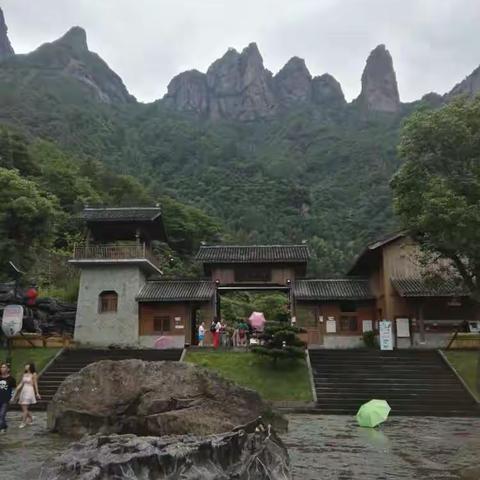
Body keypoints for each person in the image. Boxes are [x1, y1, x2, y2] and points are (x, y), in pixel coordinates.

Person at [13, 363, 40, 428]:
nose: (26, 366)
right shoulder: (24, 374)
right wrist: (17, 389)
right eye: (25, 365)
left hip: (29, 391)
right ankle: (30, 418)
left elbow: (35, 384)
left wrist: (37, 393)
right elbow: (21, 383)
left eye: (27, 365)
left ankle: (23, 422)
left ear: (30, 366)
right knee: (23, 408)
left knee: (25, 408)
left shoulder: (33, 374)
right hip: (23, 391)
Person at [0, 363, 16, 433]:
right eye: (1, 367)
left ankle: (2, 428)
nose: (2, 369)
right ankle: (4, 425)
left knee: (2, 414)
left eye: (4, 367)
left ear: (7, 369)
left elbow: (14, 389)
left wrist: (12, 398)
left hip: (6, 400)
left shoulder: (11, 379)